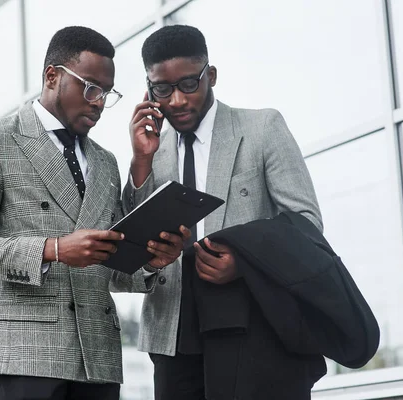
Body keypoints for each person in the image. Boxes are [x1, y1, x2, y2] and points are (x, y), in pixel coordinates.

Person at [0, 26, 187, 400]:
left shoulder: (105, 162)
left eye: (107, 93)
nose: (99, 103)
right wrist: (53, 249)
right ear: (52, 76)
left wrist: (153, 262)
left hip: (99, 356)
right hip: (29, 356)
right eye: (91, 87)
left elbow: (114, 268)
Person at [125, 24, 323, 399]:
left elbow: (306, 224)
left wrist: (244, 261)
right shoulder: (151, 150)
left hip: (252, 323)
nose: (178, 101)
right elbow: (131, 247)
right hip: (173, 334)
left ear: (210, 75)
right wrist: (140, 162)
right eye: (162, 90)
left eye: (189, 84)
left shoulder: (262, 128)